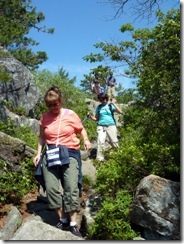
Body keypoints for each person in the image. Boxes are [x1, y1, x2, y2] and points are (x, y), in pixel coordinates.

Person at [33, 86, 91, 238]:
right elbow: (42, 137)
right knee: (51, 188)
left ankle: (72, 223)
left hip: (69, 152)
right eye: (50, 105)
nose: (53, 107)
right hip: (51, 153)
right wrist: (38, 154)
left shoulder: (70, 114)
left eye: (55, 104)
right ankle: (63, 218)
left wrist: (85, 139)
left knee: (71, 187)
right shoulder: (44, 117)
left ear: (60, 101)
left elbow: (81, 129)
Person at [87, 92, 122, 161]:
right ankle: (100, 159)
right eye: (101, 99)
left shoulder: (110, 106)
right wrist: (90, 116)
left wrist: (113, 103)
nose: (103, 101)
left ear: (106, 98)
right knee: (100, 142)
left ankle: (120, 156)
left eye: (104, 99)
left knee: (114, 141)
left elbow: (120, 112)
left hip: (111, 125)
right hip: (101, 126)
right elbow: (96, 118)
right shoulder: (99, 107)